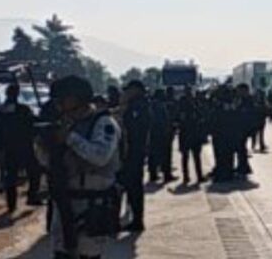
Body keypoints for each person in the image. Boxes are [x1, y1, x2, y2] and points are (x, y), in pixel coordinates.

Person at [38, 75, 122, 259]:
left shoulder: (103, 123)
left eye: (63, 98)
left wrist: (69, 138)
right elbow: (46, 162)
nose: (59, 103)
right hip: (65, 205)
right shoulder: (64, 123)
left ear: (78, 98)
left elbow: (100, 157)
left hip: (93, 207)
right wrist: (44, 144)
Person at [0, 83, 43, 213]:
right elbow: (33, 125)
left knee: (11, 176)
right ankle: (31, 196)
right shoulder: (23, 110)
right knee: (34, 172)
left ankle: (11, 204)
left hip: (9, 148)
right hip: (24, 146)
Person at [120, 80, 151, 232]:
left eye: (129, 90)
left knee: (134, 186)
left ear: (136, 90)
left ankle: (137, 220)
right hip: (134, 150)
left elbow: (134, 130)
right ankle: (136, 218)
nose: (126, 93)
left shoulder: (138, 106)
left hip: (134, 151)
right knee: (133, 186)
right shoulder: (138, 105)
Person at [177, 88, 206, 184]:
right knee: (192, 156)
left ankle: (189, 176)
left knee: (189, 156)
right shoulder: (190, 104)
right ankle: (195, 176)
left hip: (189, 133)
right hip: (190, 132)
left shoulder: (192, 104)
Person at [147, 89, 175, 183]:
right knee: (165, 154)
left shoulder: (151, 104)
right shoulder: (160, 106)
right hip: (161, 133)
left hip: (153, 133)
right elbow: (163, 120)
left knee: (153, 154)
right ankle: (167, 175)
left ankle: (153, 175)